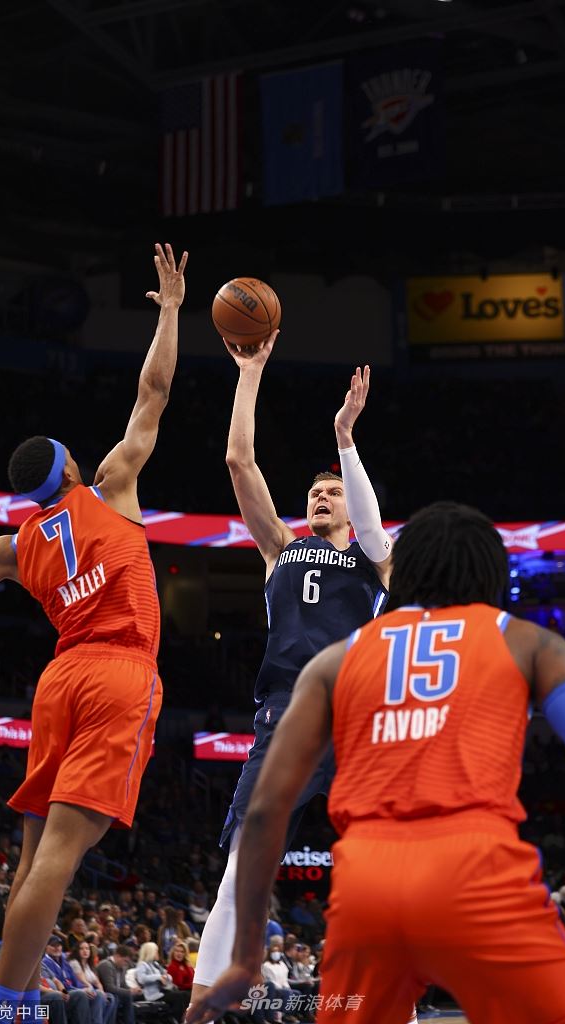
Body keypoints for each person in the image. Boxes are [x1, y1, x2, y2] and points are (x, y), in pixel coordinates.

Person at [188, 501, 565, 1024]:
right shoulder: (527, 641)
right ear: (490, 573)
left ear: (403, 571)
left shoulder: (335, 659)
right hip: (477, 872)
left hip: (367, 889)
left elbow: (267, 810)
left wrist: (245, 956)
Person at [0, 243, 188, 1023]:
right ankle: (4, 1009)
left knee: (36, 859)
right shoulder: (111, 486)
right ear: (68, 469)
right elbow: (153, 391)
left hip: (59, 680)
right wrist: (170, 311)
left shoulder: (12, 547)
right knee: (60, 858)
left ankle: (21, 1003)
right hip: (119, 672)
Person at [191, 345, 392, 1006]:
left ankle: (401, 1007)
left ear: (352, 505)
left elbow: (373, 529)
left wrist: (345, 440)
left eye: (332, 491)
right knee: (242, 865)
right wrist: (249, 375)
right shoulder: (281, 547)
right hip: (289, 712)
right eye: (314, 492)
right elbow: (238, 462)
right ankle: (200, 1007)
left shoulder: (374, 559)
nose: (320, 497)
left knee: (392, 865)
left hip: (357, 719)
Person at [69, 940, 117, 1024]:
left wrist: (102, 992)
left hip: (90, 991)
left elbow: (97, 982)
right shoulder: (74, 962)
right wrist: (93, 989)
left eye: (87, 948)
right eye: (81, 949)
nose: (85, 951)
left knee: (111, 998)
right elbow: (83, 981)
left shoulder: (88, 964)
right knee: (98, 994)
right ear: (77, 951)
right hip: (80, 990)